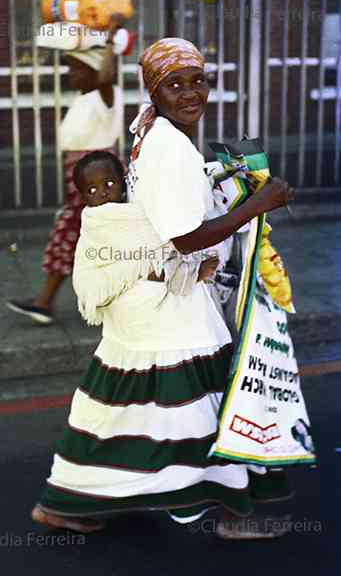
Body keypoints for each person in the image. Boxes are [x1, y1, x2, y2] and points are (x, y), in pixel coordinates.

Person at [30, 38, 295, 538]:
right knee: (197, 400)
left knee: (130, 408)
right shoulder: (168, 143)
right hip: (165, 299)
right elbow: (185, 236)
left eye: (198, 80)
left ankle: (70, 499)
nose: (191, 92)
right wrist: (260, 204)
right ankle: (226, 512)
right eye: (175, 83)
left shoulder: (155, 128)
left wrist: (222, 179)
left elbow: (166, 202)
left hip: (152, 299)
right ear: (155, 88)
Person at [6, 18, 125, 325]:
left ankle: (45, 302)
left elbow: (107, 76)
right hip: (85, 177)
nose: (71, 74)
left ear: (95, 72)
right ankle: (50, 301)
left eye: (77, 68)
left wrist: (109, 43)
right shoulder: (86, 99)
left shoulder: (105, 95)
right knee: (82, 236)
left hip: (96, 176)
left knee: (72, 233)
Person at [70, 149, 221, 327]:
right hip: (109, 272)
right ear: (83, 196)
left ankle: (178, 273)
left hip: (134, 274)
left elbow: (150, 233)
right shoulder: (94, 220)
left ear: (123, 180)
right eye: (92, 190)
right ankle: (187, 276)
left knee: (160, 254)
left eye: (109, 183)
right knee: (153, 261)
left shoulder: (134, 209)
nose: (102, 193)